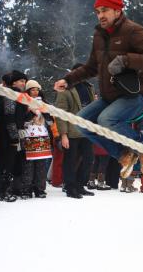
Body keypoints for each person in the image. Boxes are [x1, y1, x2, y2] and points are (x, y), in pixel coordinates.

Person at [53, 0, 143, 179]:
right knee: (81, 122)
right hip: (110, 96)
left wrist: (126, 60)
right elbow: (91, 67)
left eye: (105, 10)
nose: (100, 15)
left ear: (117, 11)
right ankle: (123, 154)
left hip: (136, 95)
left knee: (105, 119)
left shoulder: (133, 30)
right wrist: (68, 80)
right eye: (98, 11)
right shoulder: (99, 36)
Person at [55, 64, 95, 199]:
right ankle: (70, 186)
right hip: (71, 131)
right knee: (70, 161)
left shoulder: (89, 87)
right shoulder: (65, 89)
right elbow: (60, 113)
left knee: (89, 159)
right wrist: (63, 135)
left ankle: (80, 185)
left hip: (87, 130)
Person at [0, 70, 28, 202]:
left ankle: (3, 190)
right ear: (14, 82)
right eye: (21, 81)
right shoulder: (10, 94)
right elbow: (9, 117)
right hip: (6, 134)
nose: (23, 83)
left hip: (8, 133)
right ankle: (2, 191)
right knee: (5, 163)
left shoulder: (17, 95)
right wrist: (14, 137)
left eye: (24, 81)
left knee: (7, 162)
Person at [18, 80, 53, 199]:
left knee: (41, 165)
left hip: (42, 136)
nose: (35, 92)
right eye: (32, 89)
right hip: (28, 136)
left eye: (37, 89)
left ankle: (40, 189)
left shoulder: (44, 103)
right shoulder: (23, 102)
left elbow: (50, 121)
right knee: (28, 165)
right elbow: (21, 120)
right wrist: (32, 111)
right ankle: (26, 190)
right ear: (28, 90)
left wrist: (45, 111)